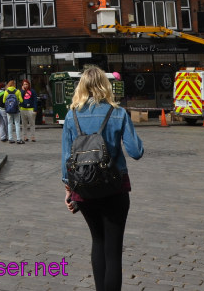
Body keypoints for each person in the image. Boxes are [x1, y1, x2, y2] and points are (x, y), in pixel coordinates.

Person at [61, 66, 143, 291]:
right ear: (105, 86)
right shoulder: (118, 113)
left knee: (97, 241)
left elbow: (66, 156)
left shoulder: (72, 114)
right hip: (114, 187)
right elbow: (136, 151)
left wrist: (68, 190)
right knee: (113, 250)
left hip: (84, 188)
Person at [3, 80, 23, 144]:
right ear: (14, 85)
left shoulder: (6, 91)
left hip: (9, 110)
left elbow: (3, 101)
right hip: (16, 109)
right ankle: (18, 139)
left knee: (9, 124)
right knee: (17, 123)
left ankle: (10, 138)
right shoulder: (17, 91)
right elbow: (21, 100)